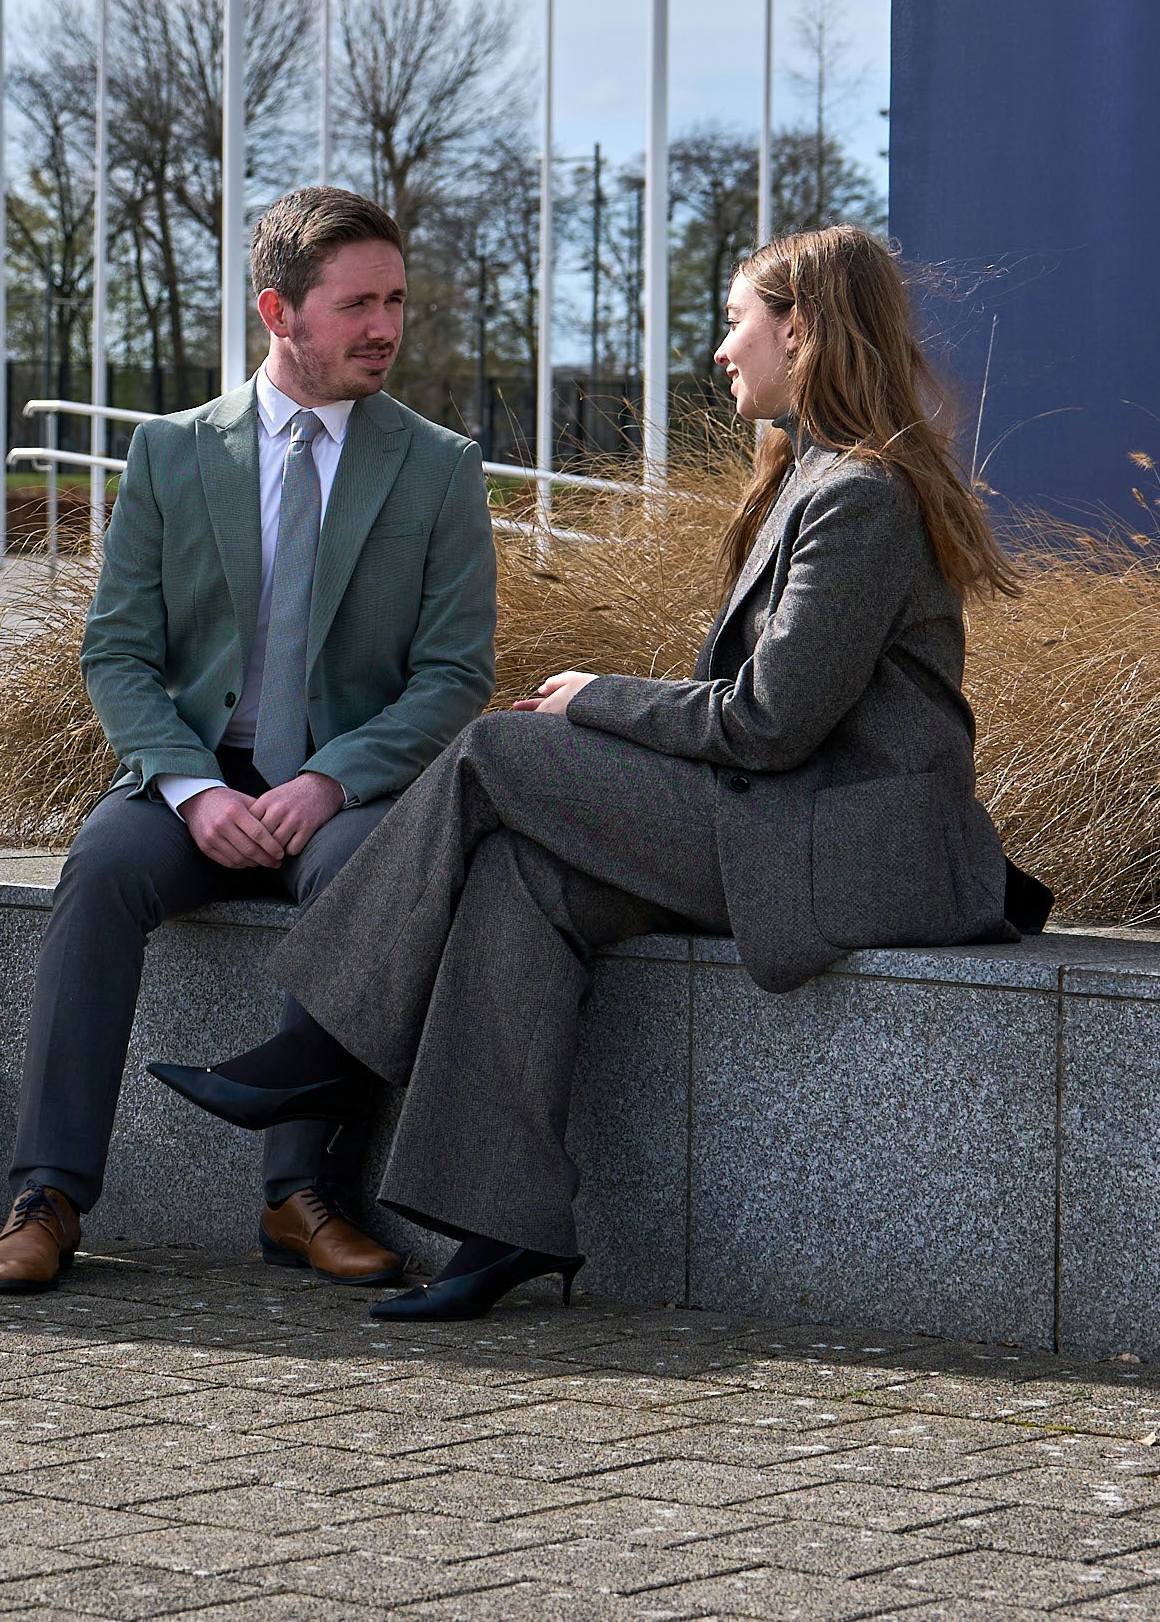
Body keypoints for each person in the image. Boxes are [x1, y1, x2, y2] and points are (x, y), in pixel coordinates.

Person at [183, 223, 1040, 1320]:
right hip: (788, 819)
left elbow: (768, 723)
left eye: (736, 321)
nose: (721, 349)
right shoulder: (813, 477)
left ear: (802, 331)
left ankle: (319, 1047)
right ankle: (504, 1224)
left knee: (495, 749)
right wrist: (611, 712)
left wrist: (596, 699)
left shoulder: (859, 494)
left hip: (854, 851)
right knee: (520, 876)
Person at [0, 188, 495, 1295]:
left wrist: (332, 779)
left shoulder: (437, 464)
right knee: (99, 869)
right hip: (196, 776)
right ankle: (47, 1193)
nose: (385, 328)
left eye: (396, 301)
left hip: (345, 790)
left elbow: (455, 675)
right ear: (278, 310)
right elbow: (118, 652)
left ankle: (299, 1197)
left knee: (360, 873)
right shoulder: (172, 453)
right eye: (357, 304)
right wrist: (188, 788)